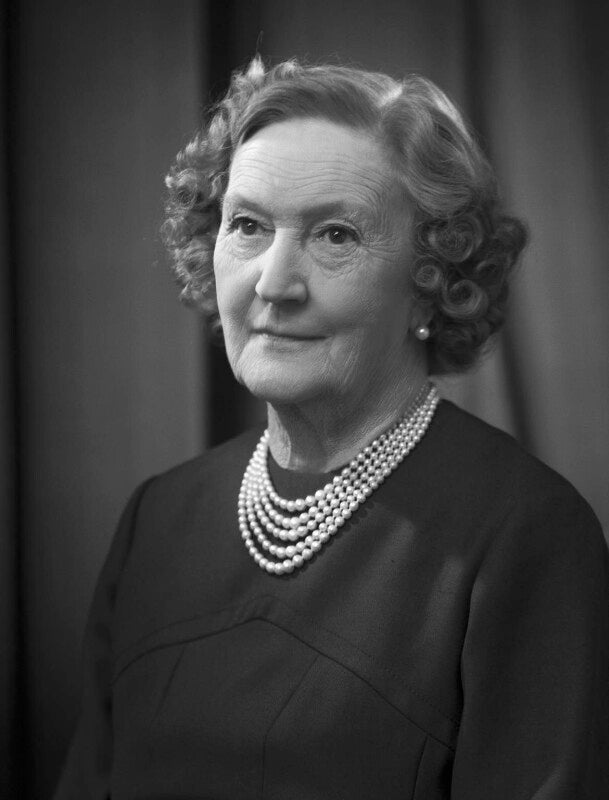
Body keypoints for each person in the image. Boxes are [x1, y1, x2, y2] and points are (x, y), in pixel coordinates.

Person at [54, 57, 609, 799]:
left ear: (433, 280)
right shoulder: (157, 520)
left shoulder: (524, 537)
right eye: (247, 225)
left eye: (336, 236)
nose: (273, 283)